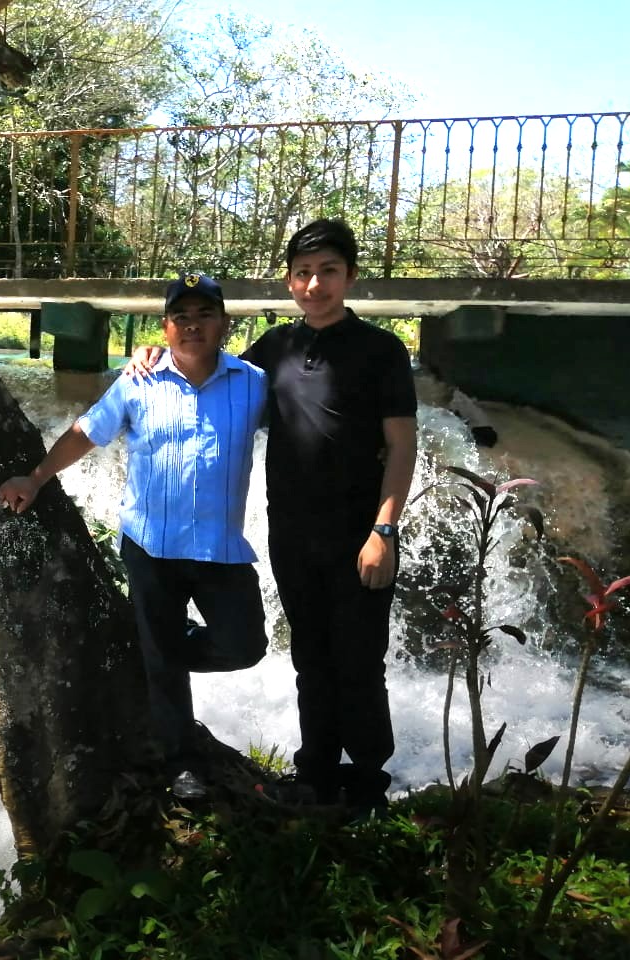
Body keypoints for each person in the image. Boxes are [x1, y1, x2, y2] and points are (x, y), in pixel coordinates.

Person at [128, 220, 418, 818]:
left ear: (349, 277)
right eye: (304, 274)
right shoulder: (275, 350)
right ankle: (315, 775)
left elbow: (403, 444)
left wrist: (384, 530)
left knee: (359, 663)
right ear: (289, 281)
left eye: (328, 272)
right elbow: (206, 367)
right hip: (291, 536)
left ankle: (366, 784)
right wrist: (152, 352)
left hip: (361, 537)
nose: (315, 285)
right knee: (312, 659)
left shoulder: (381, 351)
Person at [0, 273, 269, 798]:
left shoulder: (254, 383)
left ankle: (153, 650)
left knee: (244, 645)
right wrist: (35, 477)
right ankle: (181, 762)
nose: (193, 326)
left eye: (204, 315)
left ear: (224, 324)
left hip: (220, 548)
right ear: (165, 328)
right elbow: (85, 432)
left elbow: (303, 425)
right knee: (164, 658)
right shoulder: (137, 381)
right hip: (151, 545)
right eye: (181, 318)